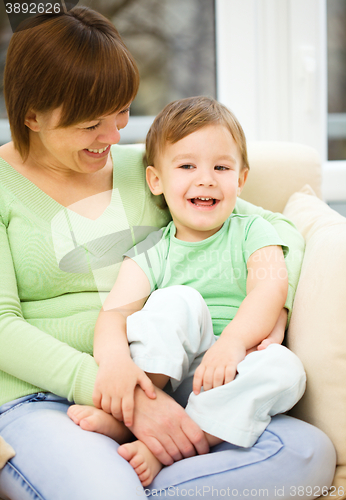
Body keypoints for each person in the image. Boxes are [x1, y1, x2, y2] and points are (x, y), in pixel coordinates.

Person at [0, 6, 336, 500]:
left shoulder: (147, 169)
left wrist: (270, 309)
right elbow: (3, 328)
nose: (114, 137)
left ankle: (145, 472)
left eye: (121, 112)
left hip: (171, 377)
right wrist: (125, 396)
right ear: (32, 116)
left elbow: (272, 226)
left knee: (307, 454)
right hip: (43, 398)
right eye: (92, 123)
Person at [68, 96, 307, 487]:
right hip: (162, 381)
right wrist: (114, 365)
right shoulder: (153, 249)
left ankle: (169, 443)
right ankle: (130, 413)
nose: (206, 178)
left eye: (221, 167)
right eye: (187, 166)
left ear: (241, 179)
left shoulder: (254, 231)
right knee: (178, 300)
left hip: (232, 373)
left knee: (287, 368)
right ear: (156, 181)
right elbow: (113, 315)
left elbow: (269, 287)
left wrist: (231, 344)